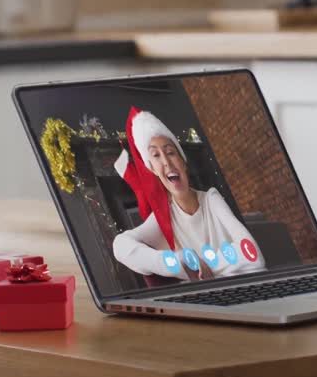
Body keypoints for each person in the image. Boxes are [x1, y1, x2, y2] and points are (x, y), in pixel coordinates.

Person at [111, 108, 265, 281]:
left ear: (183, 162)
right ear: (153, 170)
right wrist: (179, 260)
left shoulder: (211, 199)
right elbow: (120, 246)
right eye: (156, 155)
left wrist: (202, 265)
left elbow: (253, 255)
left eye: (170, 152)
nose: (167, 162)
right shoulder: (163, 217)